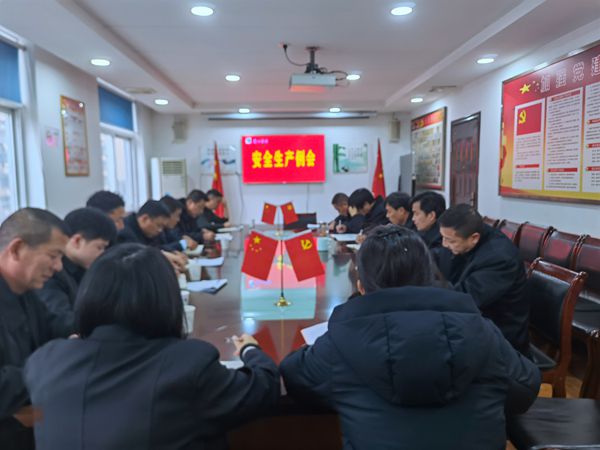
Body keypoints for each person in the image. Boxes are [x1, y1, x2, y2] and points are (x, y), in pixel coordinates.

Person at [280, 225, 540, 450]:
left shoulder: (341, 341)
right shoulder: (482, 331)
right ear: (429, 278)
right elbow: (525, 388)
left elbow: (295, 377)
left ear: (361, 287)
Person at [24, 244, 280, 449]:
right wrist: (250, 350)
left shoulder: (44, 361)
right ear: (165, 298)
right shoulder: (188, 364)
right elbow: (262, 388)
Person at [0, 208, 73, 449]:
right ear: (17, 249)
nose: (58, 267)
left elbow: (55, 327)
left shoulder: (25, 292)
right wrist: (51, 366)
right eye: (53, 256)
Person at [437, 204, 530, 355]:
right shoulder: (464, 237)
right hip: (473, 321)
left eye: (450, 241)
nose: (444, 244)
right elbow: (443, 266)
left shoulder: (500, 258)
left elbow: (465, 299)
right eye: (443, 238)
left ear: (474, 238)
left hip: (501, 338)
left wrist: (426, 292)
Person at [37, 207, 117, 332]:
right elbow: (62, 321)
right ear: (77, 241)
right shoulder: (52, 273)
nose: (103, 254)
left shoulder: (85, 268)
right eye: (100, 247)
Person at [410, 191, 446, 256]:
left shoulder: (443, 240)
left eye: (417, 214)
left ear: (431, 215)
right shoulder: (420, 233)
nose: (413, 218)